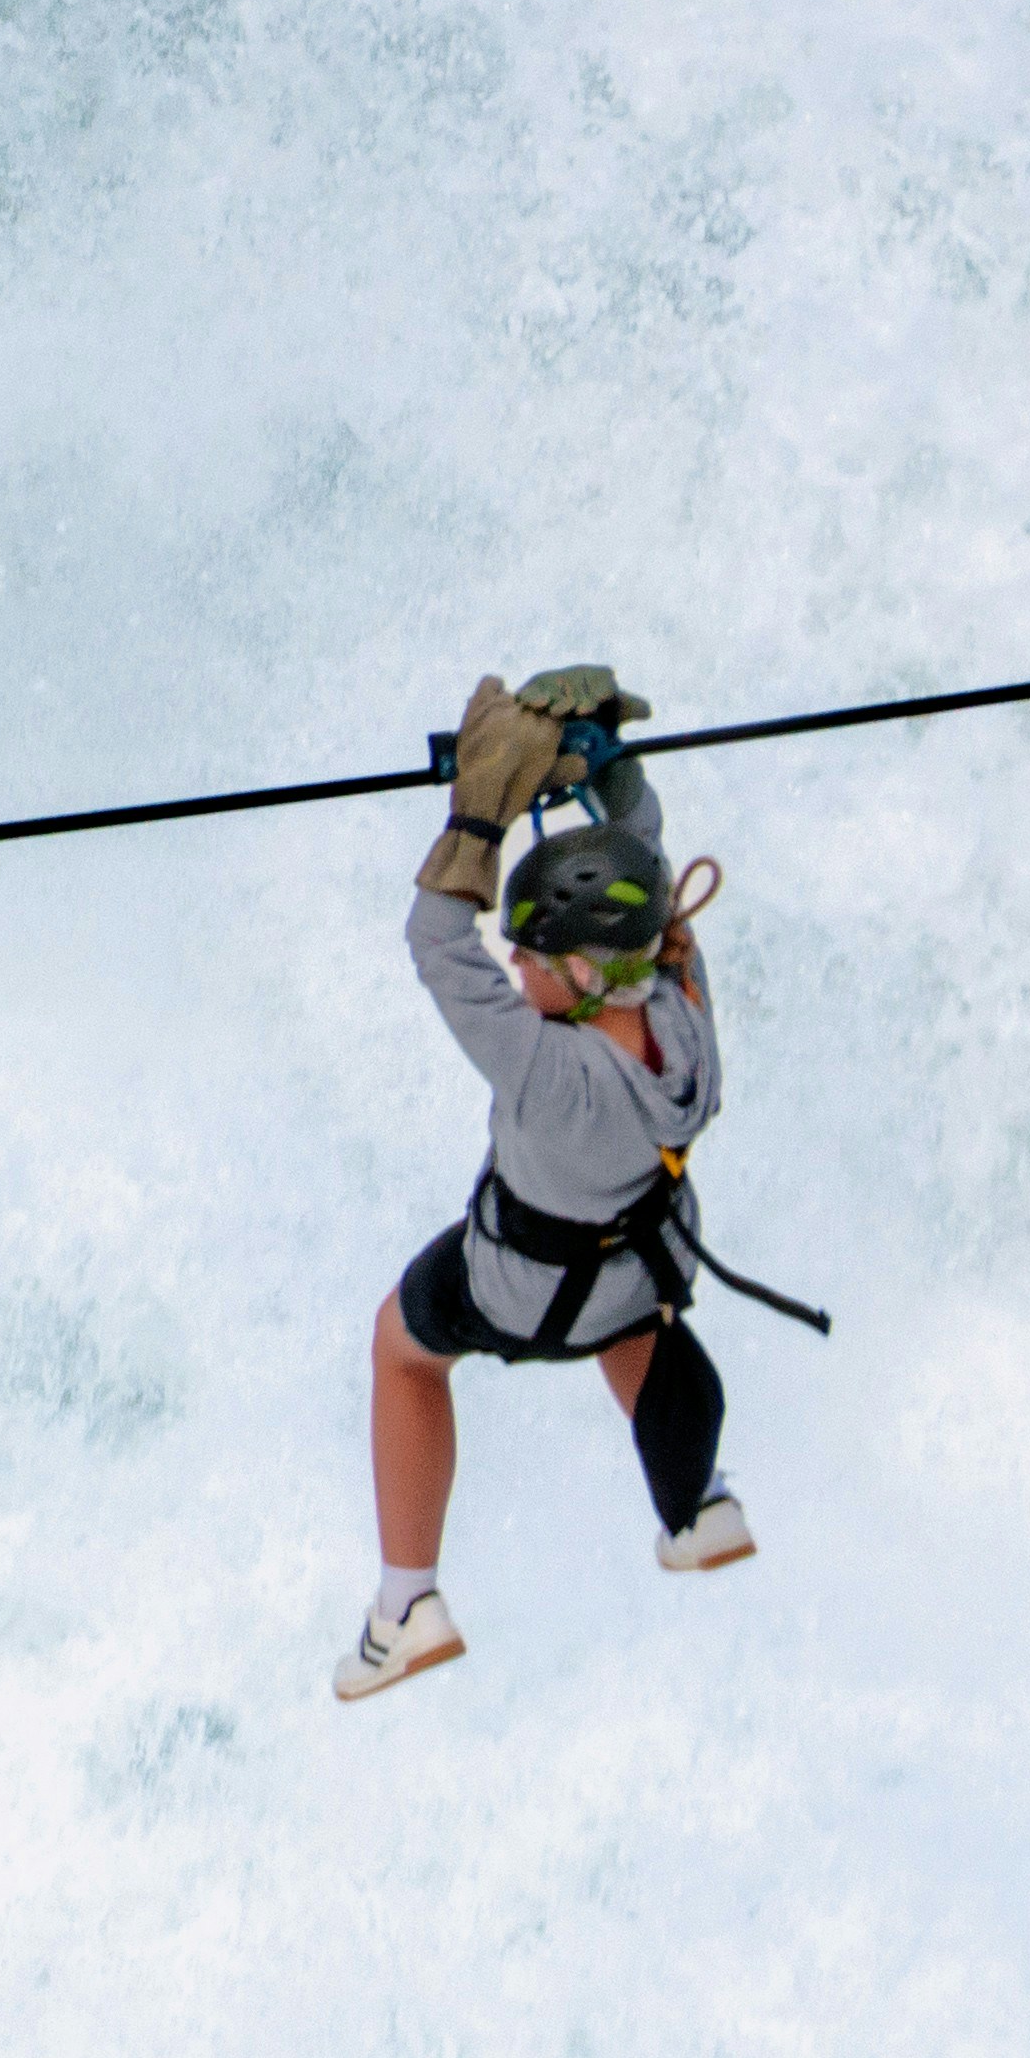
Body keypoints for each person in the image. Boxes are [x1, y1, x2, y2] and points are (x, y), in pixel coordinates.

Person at [337, 666, 760, 1703]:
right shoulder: (679, 1009)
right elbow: (643, 862)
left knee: (402, 1348)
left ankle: (405, 1609)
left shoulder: (549, 1071)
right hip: (638, 1264)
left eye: (531, 954)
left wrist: (480, 814)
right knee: (626, 1316)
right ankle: (698, 1505)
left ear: (579, 971)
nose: (514, 967)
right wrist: (610, 774)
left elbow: (437, 943)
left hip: (521, 1287)